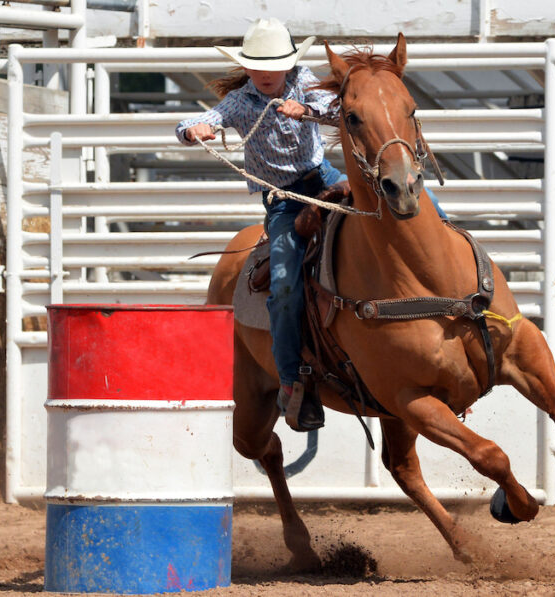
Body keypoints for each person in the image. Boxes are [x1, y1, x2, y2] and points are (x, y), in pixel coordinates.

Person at [175, 18, 447, 432]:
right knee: (283, 283)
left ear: (288, 64)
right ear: (247, 68)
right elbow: (198, 121)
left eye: (274, 64)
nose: (266, 73)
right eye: (258, 65)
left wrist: (307, 109)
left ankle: (450, 272)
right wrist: (196, 130)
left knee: (425, 207)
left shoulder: (303, 81)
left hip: (325, 178)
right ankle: (290, 382)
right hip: (284, 200)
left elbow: (345, 109)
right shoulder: (240, 102)